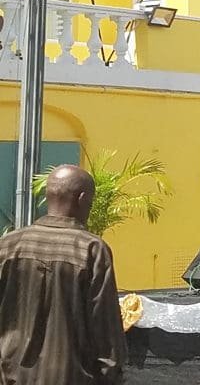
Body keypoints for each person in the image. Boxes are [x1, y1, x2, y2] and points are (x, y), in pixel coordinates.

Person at [0, 164, 127, 384]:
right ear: (82, 198)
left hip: (10, 376)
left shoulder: (8, 245)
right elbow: (105, 334)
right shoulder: (92, 250)